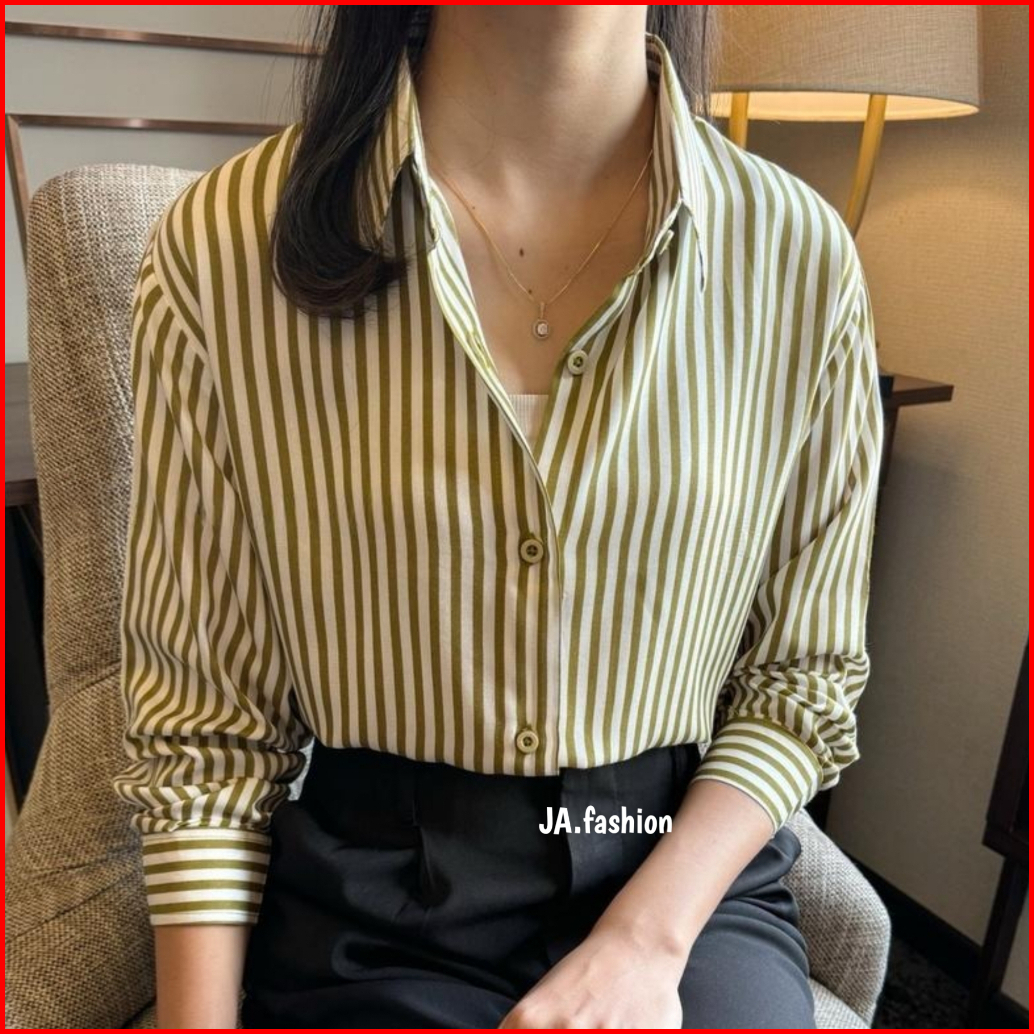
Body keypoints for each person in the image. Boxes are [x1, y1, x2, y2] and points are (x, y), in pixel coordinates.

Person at [112, 5, 884, 1029]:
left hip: (675, 868)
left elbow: (800, 676)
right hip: (379, 891)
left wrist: (643, 941)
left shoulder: (798, 257)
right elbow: (207, 727)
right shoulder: (224, 247)